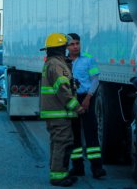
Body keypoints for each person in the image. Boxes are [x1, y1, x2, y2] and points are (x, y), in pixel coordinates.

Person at [40, 33, 85, 187]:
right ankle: (58, 176)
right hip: (58, 112)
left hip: (55, 112)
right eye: (65, 46)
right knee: (62, 142)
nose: (67, 49)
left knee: (58, 142)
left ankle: (59, 172)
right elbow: (63, 89)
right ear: (60, 48)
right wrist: (76, 107)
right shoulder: (56, 65)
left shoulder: (54, 63)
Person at [67, 33, 106, 179]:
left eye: (77, 43)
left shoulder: (89, 59)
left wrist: (88, 98)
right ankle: (78, 167)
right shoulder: (64, 61)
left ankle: (97, 168)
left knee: (91, 133)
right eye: (72, 44)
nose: (75, 46)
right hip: (71, 99)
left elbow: (95, 80)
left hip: (87, 97)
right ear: (67, 46)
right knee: (74, 134)